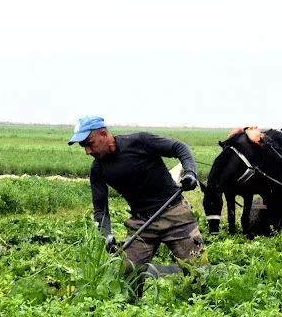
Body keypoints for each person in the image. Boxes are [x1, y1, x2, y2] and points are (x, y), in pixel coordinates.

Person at [68, 115, 205, 280]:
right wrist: (106, 234)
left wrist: (190, 172)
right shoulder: (98, 169)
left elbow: (179, 147)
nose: (87, 151)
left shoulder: (140, 141)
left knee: (198, 273)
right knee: (127, 275)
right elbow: (100, 208)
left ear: (103, 134)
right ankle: (132, 304)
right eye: (83, 146)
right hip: (142, 222)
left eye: (90, 144)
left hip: (174, 213)